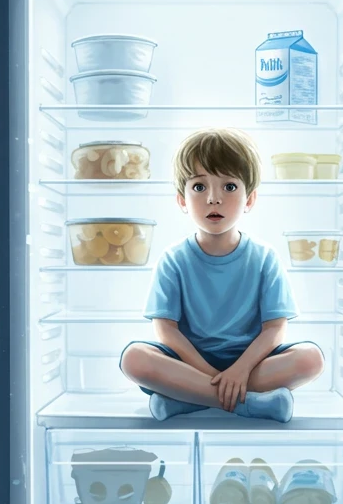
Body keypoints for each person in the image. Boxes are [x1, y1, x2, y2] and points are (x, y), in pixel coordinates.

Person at [119, 127, 324, 422]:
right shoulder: (173, 259)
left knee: (310, 359)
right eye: (199, 187)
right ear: (181, 200)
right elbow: (166, 330)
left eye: (229, 187)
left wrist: (239, 371)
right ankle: (248, 403)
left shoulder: (265, 258)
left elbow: (274, 329)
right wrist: (214, 376)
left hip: (252, 363)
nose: (213, 199)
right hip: (188, 362)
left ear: (250, 199)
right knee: (134, 359)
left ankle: (187, 399)